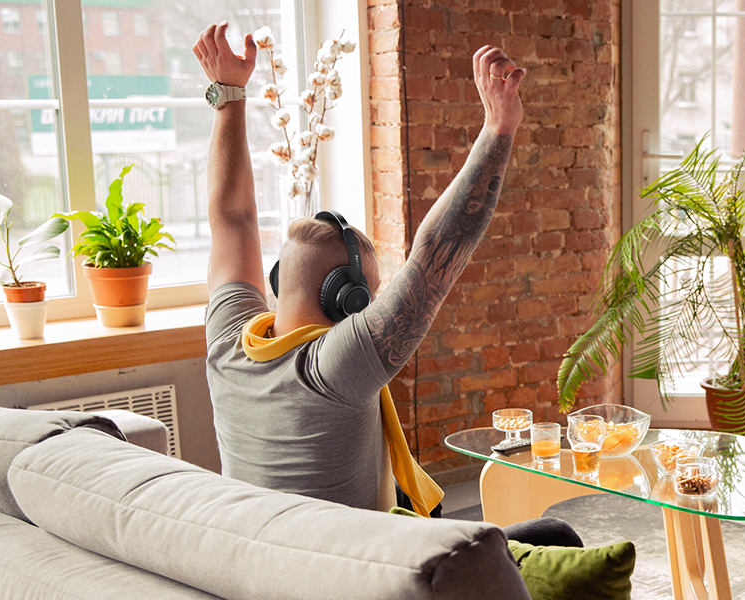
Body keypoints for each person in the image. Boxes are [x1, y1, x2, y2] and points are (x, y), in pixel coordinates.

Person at [192, 23, 579, 547]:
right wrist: (498, 127)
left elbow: (230, 219)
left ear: (282, 280)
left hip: (259, 562)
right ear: (346, 297)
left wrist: (228, 96)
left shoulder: (228, 342)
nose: (371, 305)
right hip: (359, 571)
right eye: (368, 295)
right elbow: (438, 251)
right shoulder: (332, 369)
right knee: (555, 533)